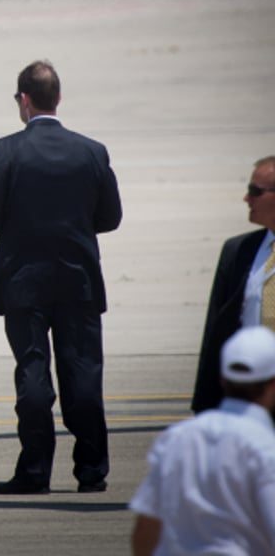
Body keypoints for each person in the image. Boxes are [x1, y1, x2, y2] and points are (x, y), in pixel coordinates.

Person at [0, 59, 123, 495]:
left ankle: (35, 470)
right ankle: (91, 469)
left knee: (33, 374)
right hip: (78, 280)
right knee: (83, 374)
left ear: (23, 100)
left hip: (23, 281)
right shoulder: (91, 151)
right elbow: (110, 217)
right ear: (59, 98)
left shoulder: (3, 152)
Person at [129, 326, 275, 555]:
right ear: (272, 384)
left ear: (222, 379)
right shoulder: (266, 448)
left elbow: (146, 530)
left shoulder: (175, 438)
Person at [191, 155, 275, 415]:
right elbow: (216, 331)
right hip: (251, 395)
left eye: (255, 192)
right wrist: (205, 403)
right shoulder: (238, 251)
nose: (246, 199)